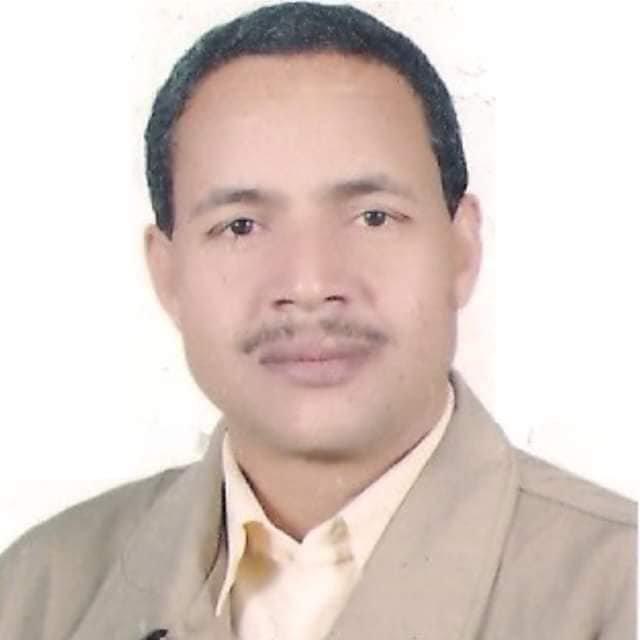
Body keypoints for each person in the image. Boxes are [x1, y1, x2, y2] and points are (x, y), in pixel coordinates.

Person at [0, 3, 635, 639]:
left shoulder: (617, 592)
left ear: (462, 249)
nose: (308, 285)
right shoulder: (38, 594)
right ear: (168, 276)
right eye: (240, 226)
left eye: (373, 217)